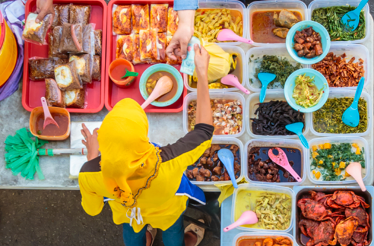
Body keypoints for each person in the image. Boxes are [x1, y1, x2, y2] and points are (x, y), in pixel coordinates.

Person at [79, 43, 212, 246]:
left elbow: (92, 209)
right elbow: (203, 131)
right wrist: (202, 73)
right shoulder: (167, 160)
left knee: (133, 234)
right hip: (166, 211)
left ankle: (146, 239)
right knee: (172, 230)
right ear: (144, 136)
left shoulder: (90, 172)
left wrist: (92, 158)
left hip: (129, 214)